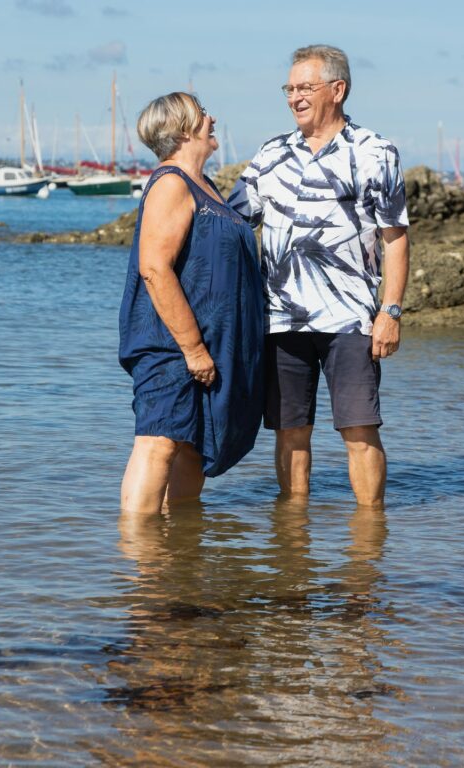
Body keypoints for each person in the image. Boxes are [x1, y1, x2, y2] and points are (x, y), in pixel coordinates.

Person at [229, 44, 409, 507]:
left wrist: (390, 311)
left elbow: (395, 238)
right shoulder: (271, 154)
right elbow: (229, 221)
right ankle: (293, 540)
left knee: (359, 430)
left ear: (338, 89)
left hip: (350, 318)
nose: (294, 97)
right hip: (281, 319)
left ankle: (369, 540)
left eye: (304, 87)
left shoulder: (375, 153)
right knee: (290, 433)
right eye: (289, 88)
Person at [118, 92, 264, 514]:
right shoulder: (170, 183)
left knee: (192, 449)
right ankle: (140, 563)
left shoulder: (207, 186)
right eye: (203, 113)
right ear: (183, 129)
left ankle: (178, 559)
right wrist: (192, 348)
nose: (212, 118)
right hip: (172, 344)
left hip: (211, 345)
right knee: (159, 442)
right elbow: (155, 268)